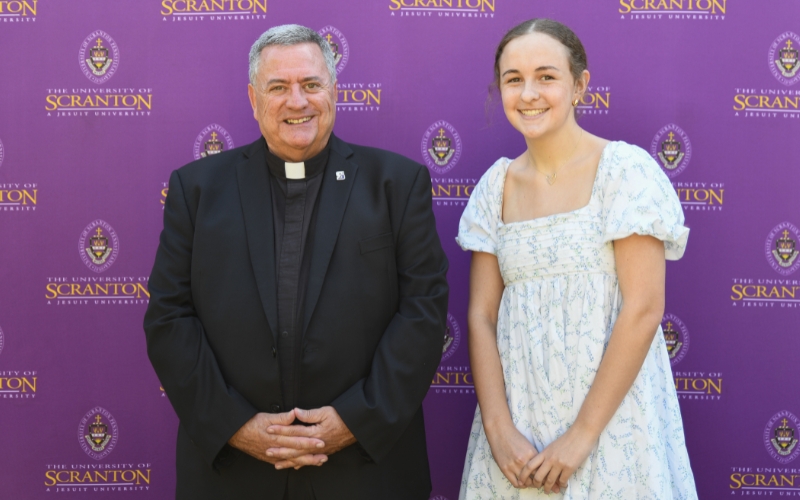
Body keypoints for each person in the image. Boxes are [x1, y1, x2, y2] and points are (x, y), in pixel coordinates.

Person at [144, 24, 449, 500]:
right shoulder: (197, 190)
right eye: (278, 87)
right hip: (233, 476)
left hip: (366, 471)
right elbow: (168, 317)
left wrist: (355, 420)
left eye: (311, 84)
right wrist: (237, 426)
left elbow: (423, 312)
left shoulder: (396, 184)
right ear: (252, 98)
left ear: (333, 90)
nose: (297, 101)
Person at [456, 19, 698, 499]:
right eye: (513, 79)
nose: (529, 93)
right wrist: (499, 430)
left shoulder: (624, 172)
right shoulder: (494, 187)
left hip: (613, 426)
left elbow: (644, 307)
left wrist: (581, 436)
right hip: (517, 439)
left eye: (546, 76)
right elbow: (481, 316)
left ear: (579, 85)